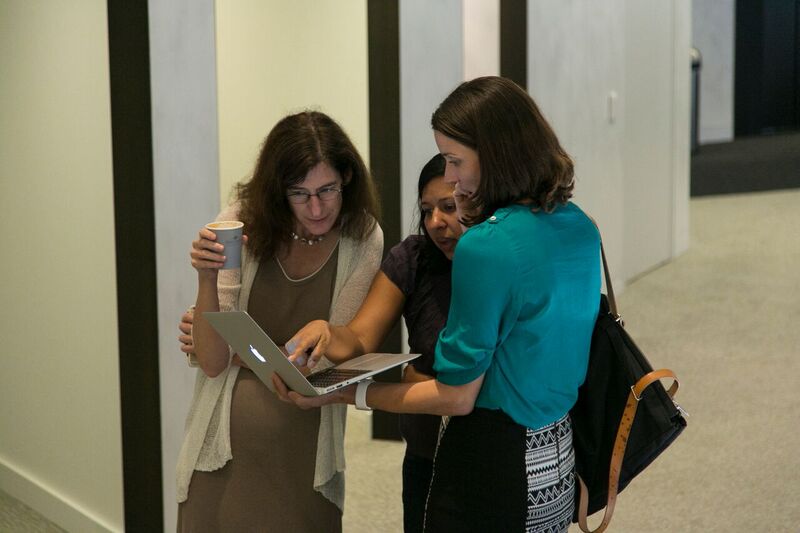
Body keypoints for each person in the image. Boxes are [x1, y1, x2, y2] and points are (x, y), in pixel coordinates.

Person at [276, 76, 601, 532]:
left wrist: (349, 393)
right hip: (556, 455)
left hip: (493, 461)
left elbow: (456, 395)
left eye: (454, 160)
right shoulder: (579, 224)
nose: (450, 175)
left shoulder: (486, 247)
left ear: (495, 154)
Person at [179, 154, 463, 533]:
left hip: (483, 447)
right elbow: (356, 338)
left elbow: (334, 362)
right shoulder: (412, 258)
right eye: (426, 210)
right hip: (422, 449)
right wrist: (210, 313)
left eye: (449, 207)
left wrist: (226, 345)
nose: (436, 223)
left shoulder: (362, 236)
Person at [175, 110, 383, 532]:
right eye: (299, 193)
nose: (317, 206)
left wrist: (221, 338)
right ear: (277, 192)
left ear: (346, 179)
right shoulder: (241, 222)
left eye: (328, 189)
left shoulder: (363, 236)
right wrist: (206, 279)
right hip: (223, 447)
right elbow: (214, 361)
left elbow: (324, 364)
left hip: (304, 443)